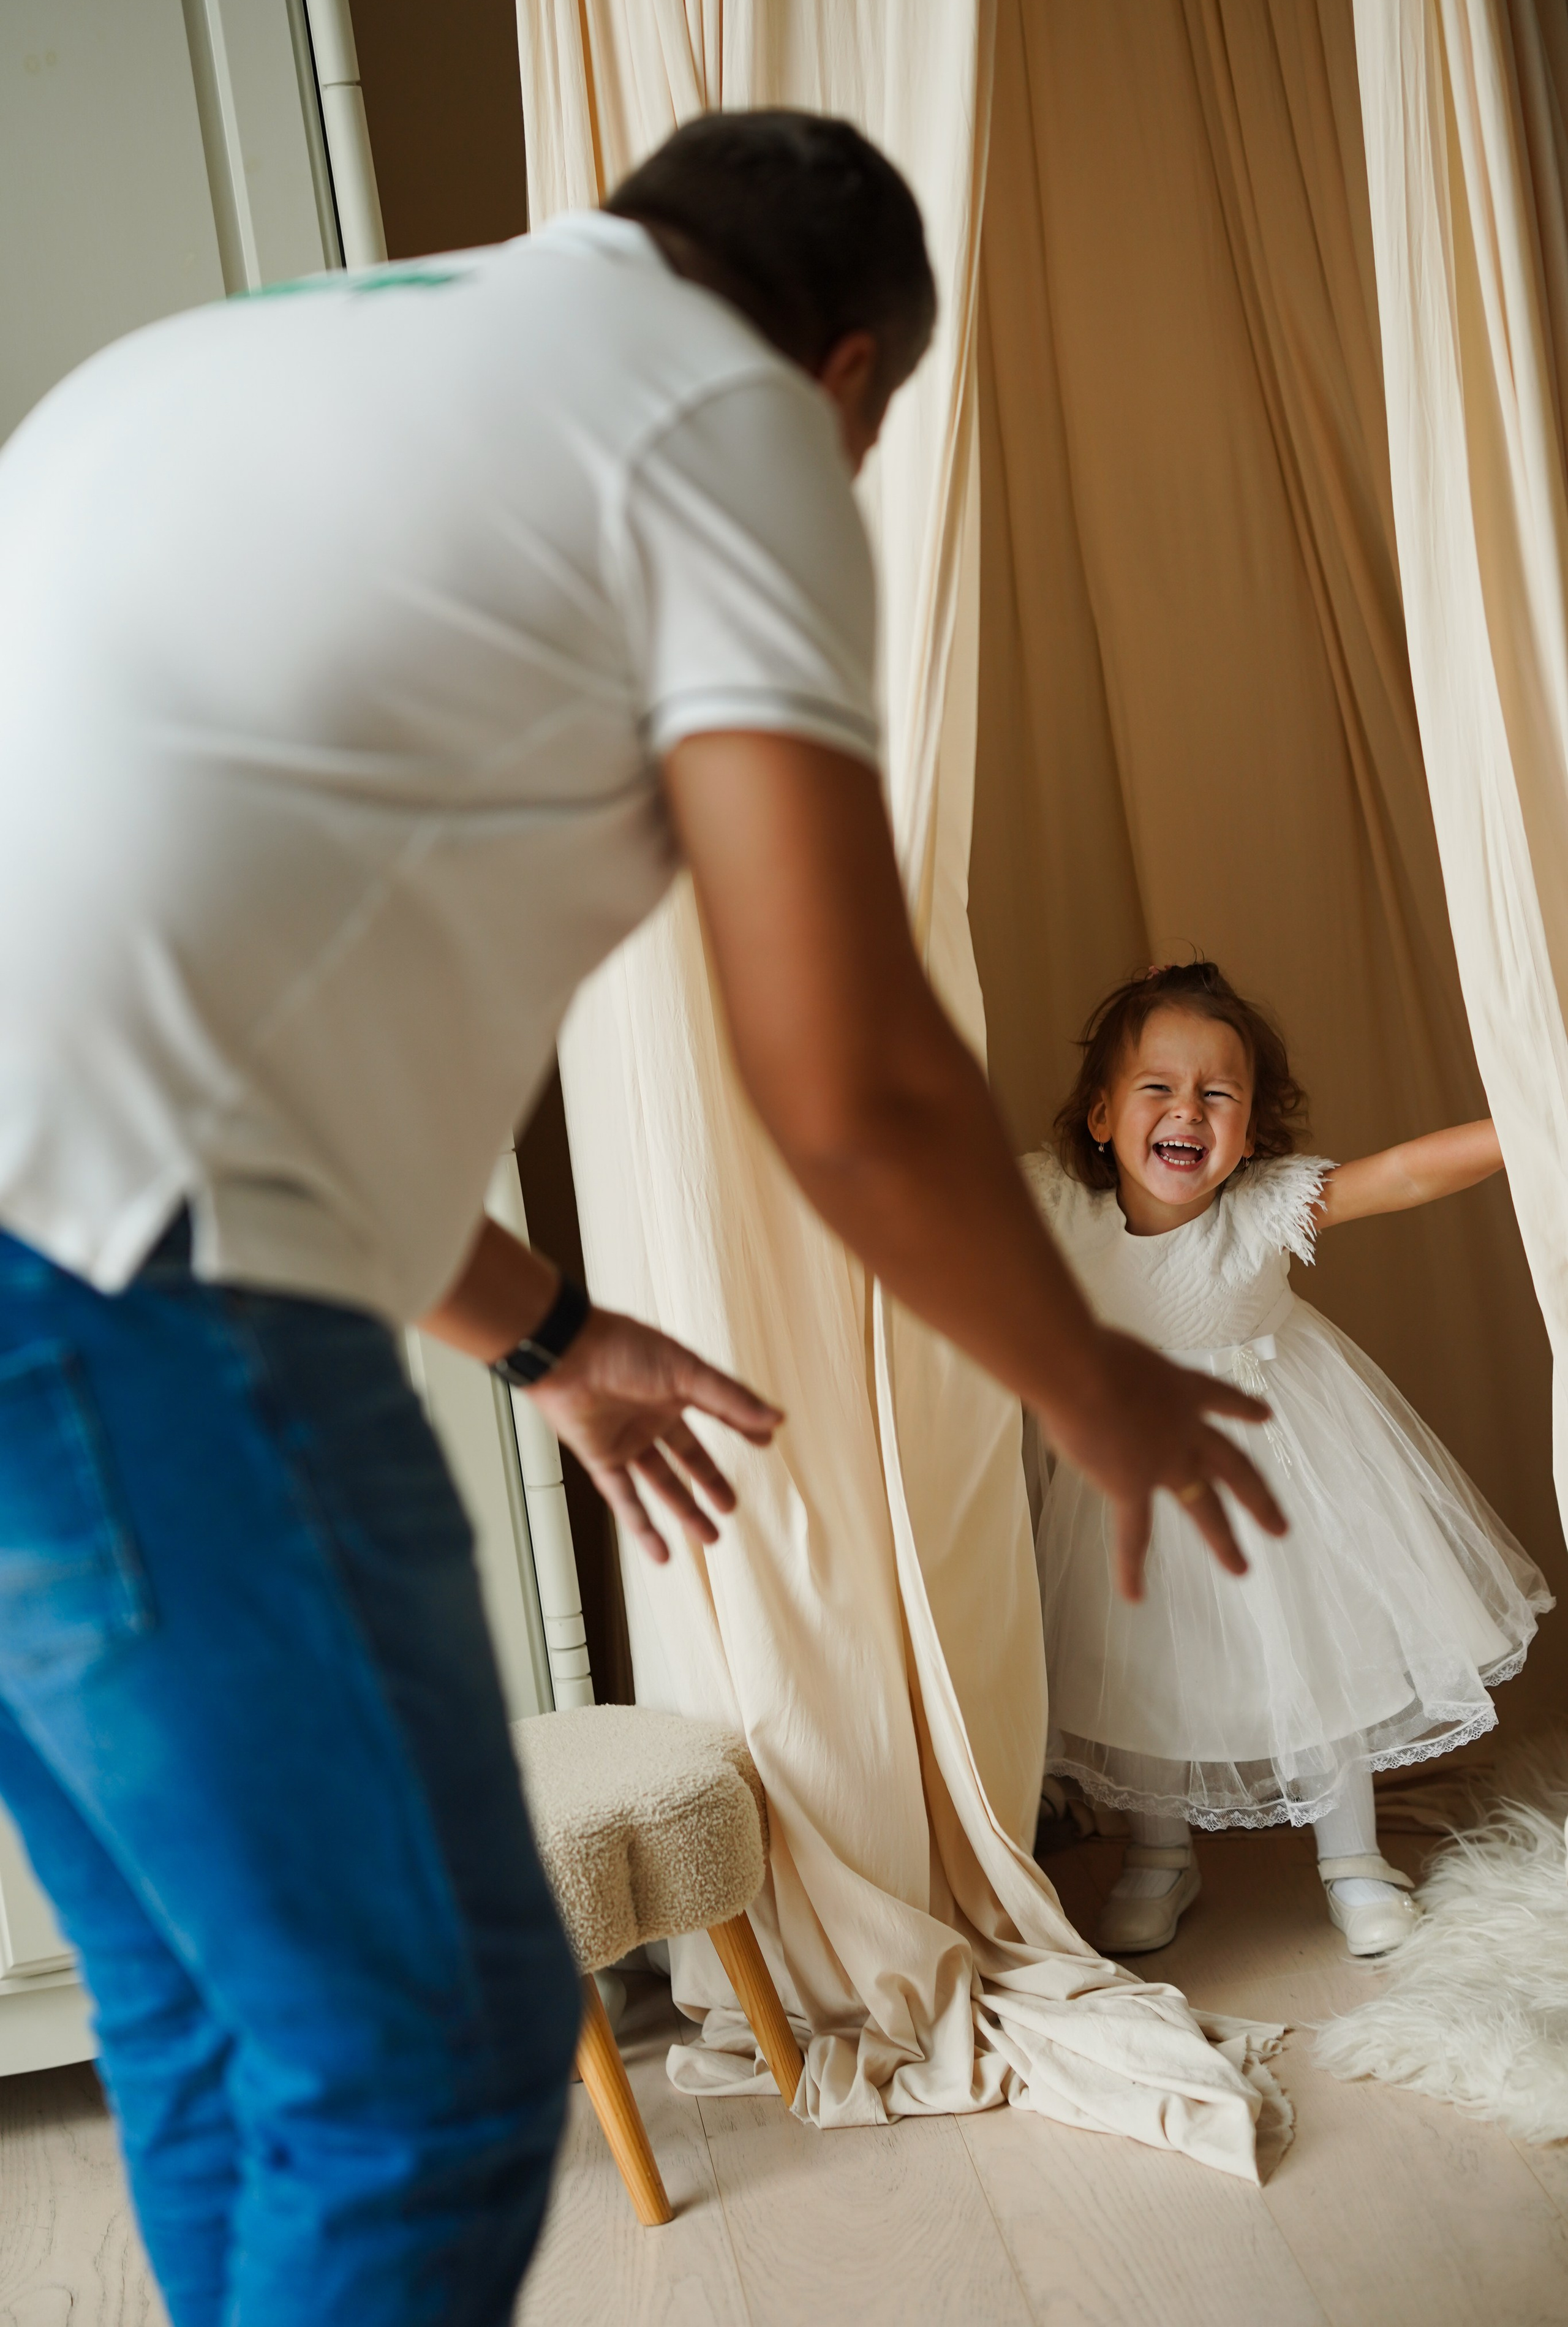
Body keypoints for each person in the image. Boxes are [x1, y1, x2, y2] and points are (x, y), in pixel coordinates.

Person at [0, 114, 1283, 2326]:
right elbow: (854, 1086)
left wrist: (547, 1330)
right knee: (423, 2066)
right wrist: (1095, 1380)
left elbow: (174, 964)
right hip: (123, 1289)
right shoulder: (725, 411)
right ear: (855, 378)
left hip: (72, 1251)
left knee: (221, 2020)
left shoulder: (269, 364)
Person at [1023, 960, 1552, 1961]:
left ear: (1254, 1133)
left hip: (1279, 1479)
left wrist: (1528, 1124)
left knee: (1322, 1659)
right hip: (1130, 1482)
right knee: (1143, 1661)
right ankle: (1159, 1853)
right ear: (1101, 1117)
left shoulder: (1263, 1212)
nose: (1189, 1111)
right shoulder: (1062, 1209)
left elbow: (1401, 1173)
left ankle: (1353, 1862)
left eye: (1218, 1094)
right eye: (1159, 1089)